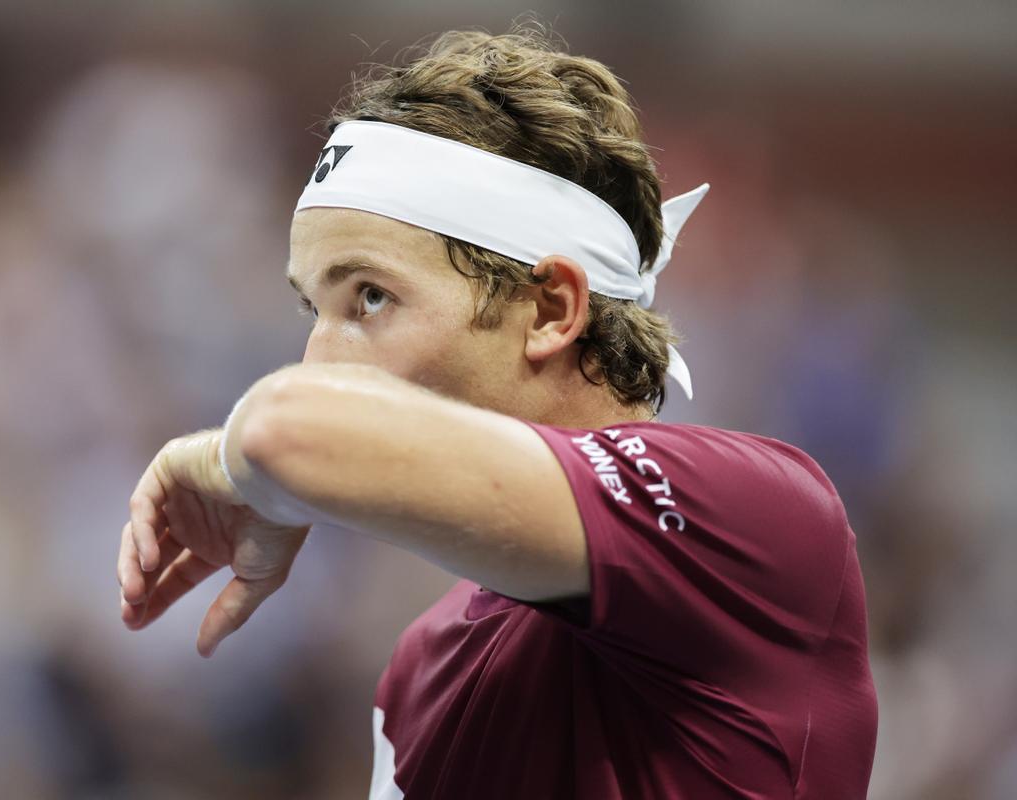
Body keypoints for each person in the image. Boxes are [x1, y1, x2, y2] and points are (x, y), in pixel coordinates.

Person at [115, 26, 877, 799]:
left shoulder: (756, 517)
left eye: (370, 297)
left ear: (551, 309)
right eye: (315, 306)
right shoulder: (419, 667)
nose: (318, 359)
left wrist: (239, 467)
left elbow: (283, 427)